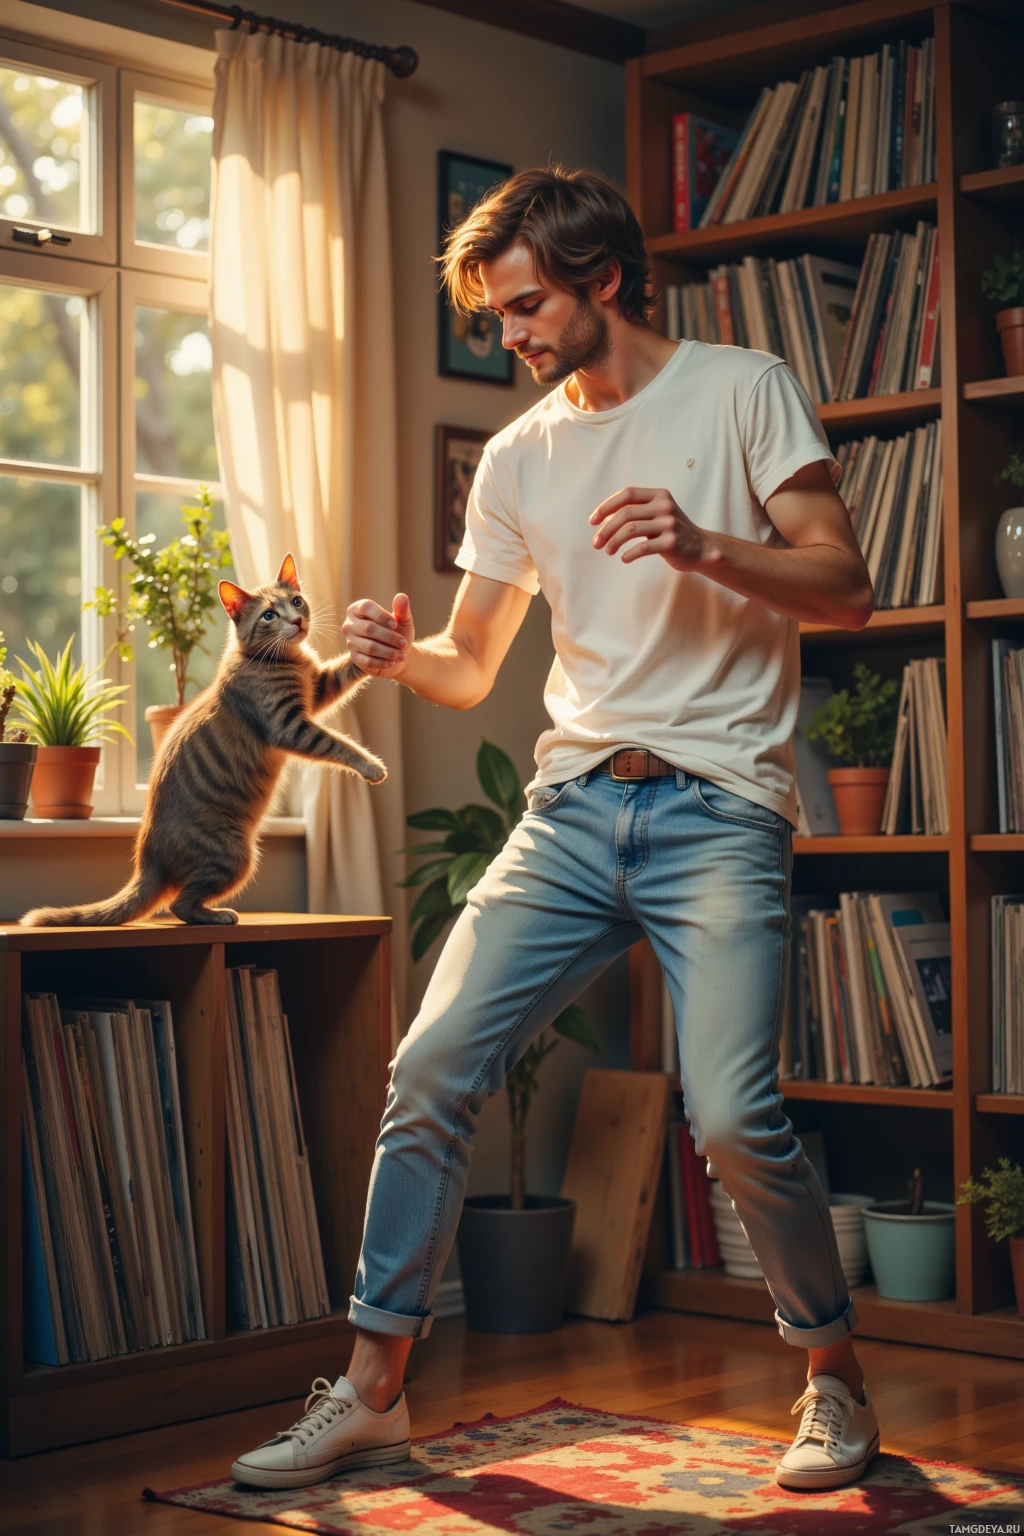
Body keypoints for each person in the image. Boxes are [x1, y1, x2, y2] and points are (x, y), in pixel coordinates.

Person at [231, 165, 879, 1495]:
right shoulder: (521, 455)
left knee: (736, 1113)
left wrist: (706, 546)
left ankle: (835, 1382)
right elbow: (475, 663)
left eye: (527, 307)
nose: (512, 336)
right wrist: (400, 658)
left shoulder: (741, 388)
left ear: (605, 281)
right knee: (428, 1071)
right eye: (497, 316)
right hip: (574, 810)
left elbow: (848, 588)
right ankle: (370, 1394)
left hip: (718, 807)